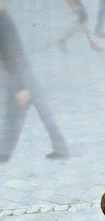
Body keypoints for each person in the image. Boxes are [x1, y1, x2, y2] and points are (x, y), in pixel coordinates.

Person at [0, 0, 70, 162]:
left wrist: (22, 88)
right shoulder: (4, 19)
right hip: (24, 73)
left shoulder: (3, 23)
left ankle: (4, 153)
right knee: (43, 112)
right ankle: (61, 148)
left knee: (14, 116)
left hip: (19, 76)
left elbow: (14, 52)